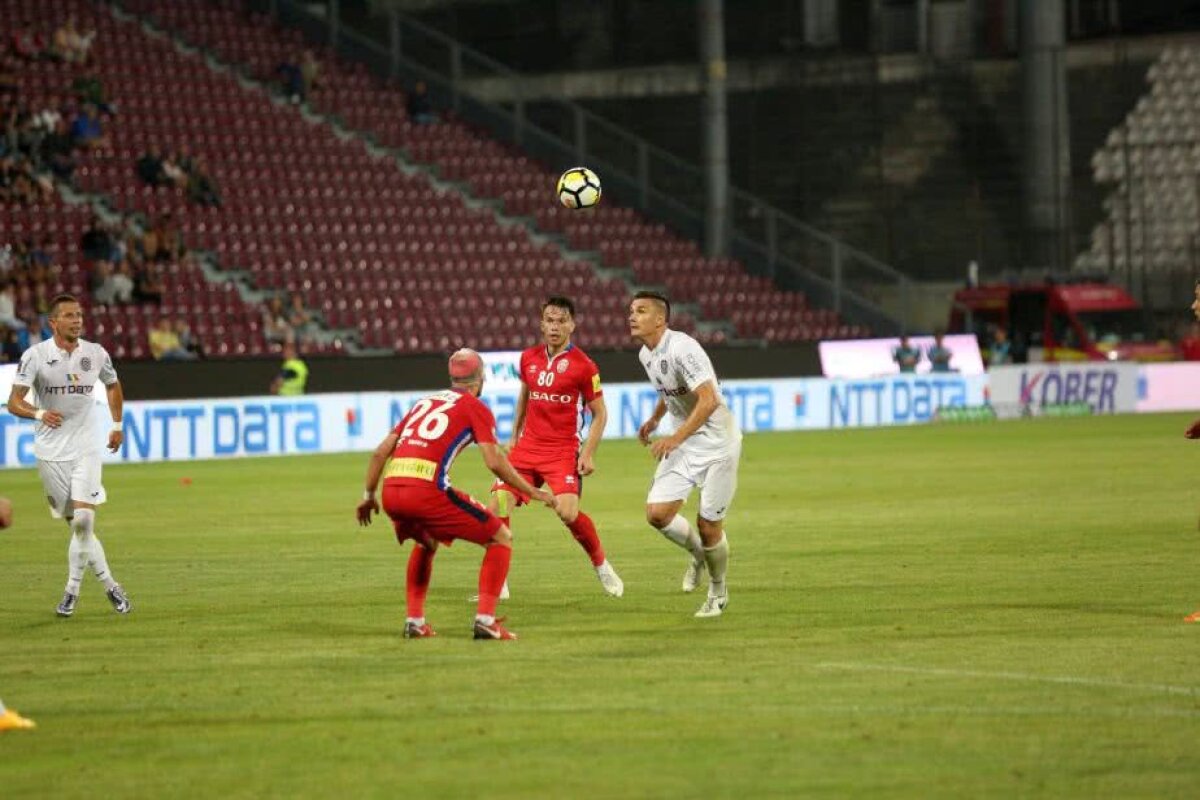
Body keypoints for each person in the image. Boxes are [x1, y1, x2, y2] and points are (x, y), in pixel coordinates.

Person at [355, 349, 558, 640]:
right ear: (480, 380)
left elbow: (379, 452)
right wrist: (531, 490)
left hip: (391, 490)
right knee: (501, 536)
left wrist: (368, 495)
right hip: (425, 490)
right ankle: (486, 620)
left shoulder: (423, 403)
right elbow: (494, 461)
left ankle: (415, 621)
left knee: (426, 542)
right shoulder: (475, 407)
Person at [487, 296, 622, 599]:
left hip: (562, 451)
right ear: (541, 324)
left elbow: (600, 412)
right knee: (498, 505)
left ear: (572, 325)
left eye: (561, 320)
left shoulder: (584, 366)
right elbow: (525, 395)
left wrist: (587, 452)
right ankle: (499, 580)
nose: (554, 326)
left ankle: (601, 564)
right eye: (549, 320)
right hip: (527, 448)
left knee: (568, 513)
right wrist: (514, 436)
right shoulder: (528, 358)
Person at [5, 294, 131, 617]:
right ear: (53, 323)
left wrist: (116, 424)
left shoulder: (96, 353)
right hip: (51, 452)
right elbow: (14, 401)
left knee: (86, 519)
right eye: (69, 316)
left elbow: (113, 385)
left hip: (87, 446)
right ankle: (111, 585)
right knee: (78, 526)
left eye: (79, 315)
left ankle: (71, 592)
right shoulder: (35, 356)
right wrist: (38, 414)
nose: (77, 320)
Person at [629, 291, 740, 618]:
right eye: (631, 311)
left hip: (718, 443)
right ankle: (699, 556)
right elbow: (671, 390)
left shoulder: (683, 347)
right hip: (684, 438)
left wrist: (674, 437)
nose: (632, 316)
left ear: (660, 319)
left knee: (708, 526)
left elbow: (708, 400)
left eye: (641, 310)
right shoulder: (646, 355)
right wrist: (656, 418)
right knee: (657, 514)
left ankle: (718, 592)